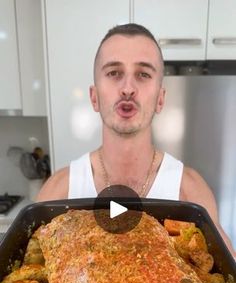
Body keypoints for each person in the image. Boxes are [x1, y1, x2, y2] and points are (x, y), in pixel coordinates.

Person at [36, 23, 235, 256]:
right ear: (94, 97)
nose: (128, 88)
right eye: (114, 73)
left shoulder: (191, 193)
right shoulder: (58, 192)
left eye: (143, 74)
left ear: (160, 99)